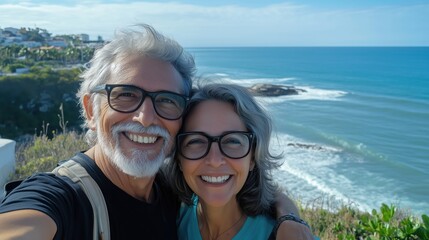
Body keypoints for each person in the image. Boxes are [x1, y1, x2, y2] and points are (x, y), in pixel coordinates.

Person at [0, 24, 310, 239]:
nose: (146, 117)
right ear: (92, 110)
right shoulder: (62, 199)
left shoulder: (171, 193)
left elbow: (242, 180)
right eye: (125, 94)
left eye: (166, 100)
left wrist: (289, 219)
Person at [165, 82, 314, 239]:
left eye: (232, 141)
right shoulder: (173, 214)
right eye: (196, 141)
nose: (215, 160)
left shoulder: (283, 235)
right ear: (179, 158)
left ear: (252, 157)